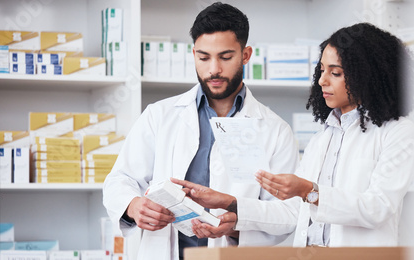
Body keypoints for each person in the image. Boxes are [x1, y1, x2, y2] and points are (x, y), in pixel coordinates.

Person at [172, 22, 414, 247]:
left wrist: (308, 191)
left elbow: (378, 207)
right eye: (321, 70)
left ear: (368, 76)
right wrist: (229, 204)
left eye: (335, 73)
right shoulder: (323, 137)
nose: (322, 80)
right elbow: (293, 213)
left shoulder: (397, 132)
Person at [102, 2, 299, 260]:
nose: (213, 69)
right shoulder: (159, 115)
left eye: (225, 57)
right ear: (193, 53)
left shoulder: (275, 130)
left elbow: (287, 214)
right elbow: (120, 179)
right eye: (204, 57)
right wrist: (133, 206)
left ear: (246, 55)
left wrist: (239, 224)